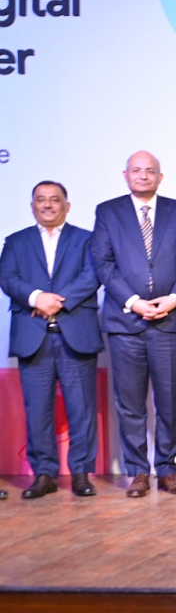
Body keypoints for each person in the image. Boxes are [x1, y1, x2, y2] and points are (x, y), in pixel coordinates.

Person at [91, 150, 176, 497]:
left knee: (169, 401)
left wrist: (174, 298)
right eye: (137, 170)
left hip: (171, 321)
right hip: (126, 323)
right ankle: (138, 472)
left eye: (150, 171)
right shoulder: (108, 212)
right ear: (125, 174)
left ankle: (167, 471)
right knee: (130, 402)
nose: (143, 176)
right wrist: (134, 302)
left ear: (160, 177)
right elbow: (103, 263)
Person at [0, 181, 102, 499]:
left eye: (54, 200)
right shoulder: (16, 242)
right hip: (34, 339)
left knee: (81, 409)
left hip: (76, 335)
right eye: (40, 200)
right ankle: (44, 474)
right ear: (32, 206)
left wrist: (57, 300)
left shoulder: (87, 239)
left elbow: (93, 274)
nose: (47, 205)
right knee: (38, 410)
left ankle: (82, 473)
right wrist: (35, 297)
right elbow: (7, 278)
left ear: (66, 206)